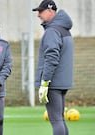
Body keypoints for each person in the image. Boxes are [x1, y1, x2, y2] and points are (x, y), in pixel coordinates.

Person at [32, 0, 74, 135]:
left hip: (53, 82)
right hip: (63, 82)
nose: (38, 15)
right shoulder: (64, 29)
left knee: (56, 120)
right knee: (60, 119)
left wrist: (45, 82)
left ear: (50, 11)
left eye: (41, 11)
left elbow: (51, 58)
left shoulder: (52, 31)